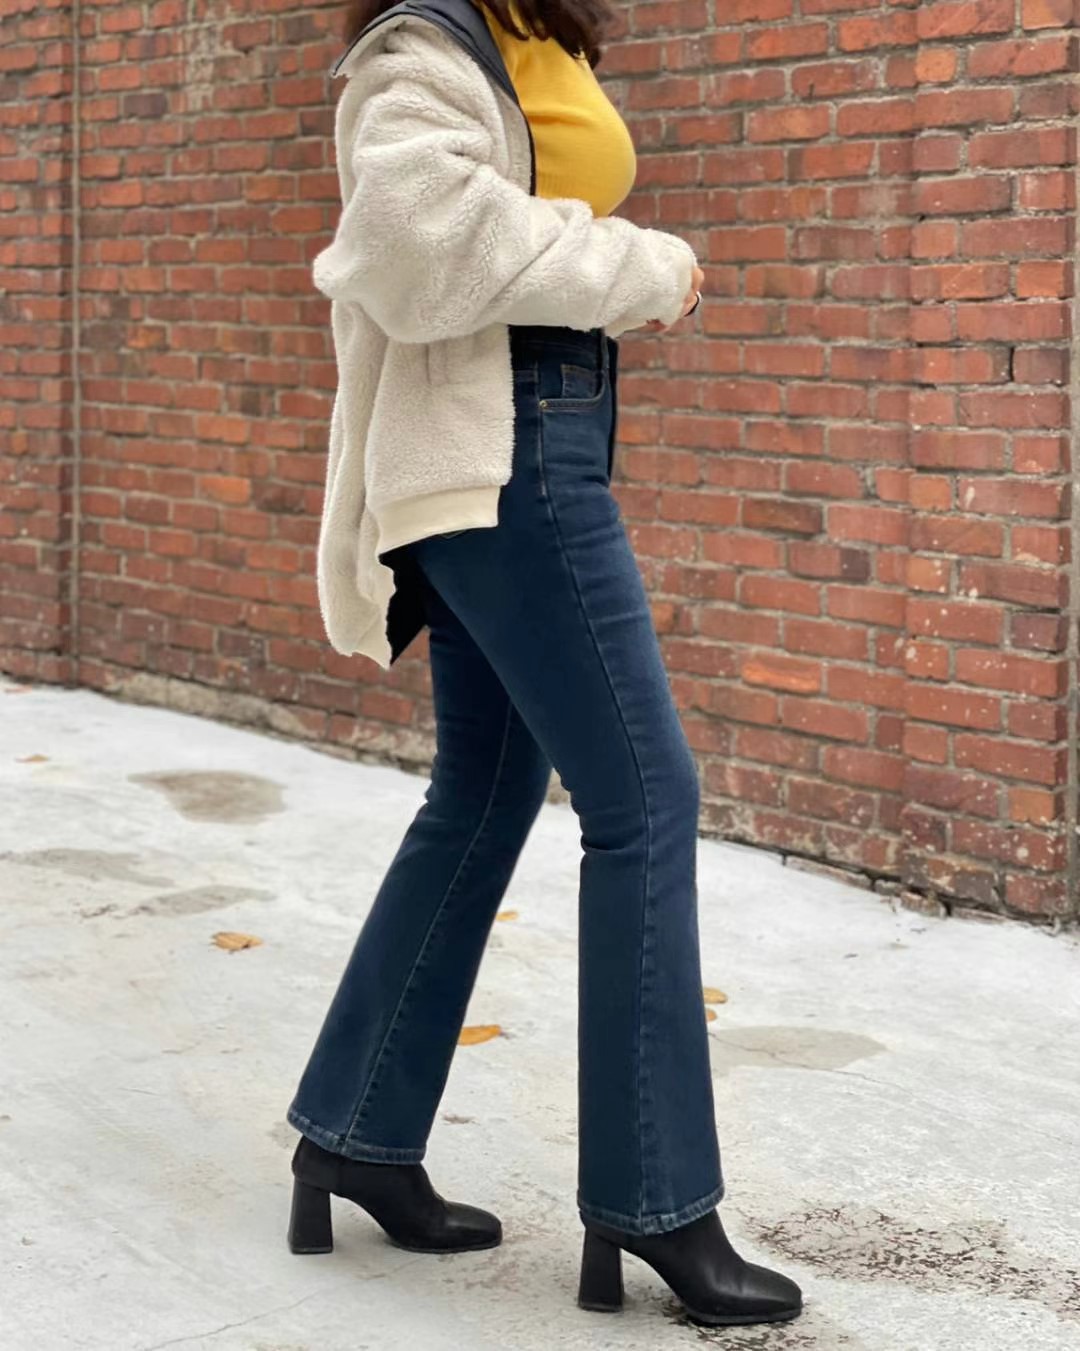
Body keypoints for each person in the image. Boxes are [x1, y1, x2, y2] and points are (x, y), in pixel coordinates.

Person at [284, 0, 803, 1329]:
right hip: (505, 455)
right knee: (646, 803)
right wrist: (646, 267)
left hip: (533, 438)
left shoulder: (538, 36)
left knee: (484, 792)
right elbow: (413, 245)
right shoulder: (420, 50)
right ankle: (655, 1203)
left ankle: (355, 1132)